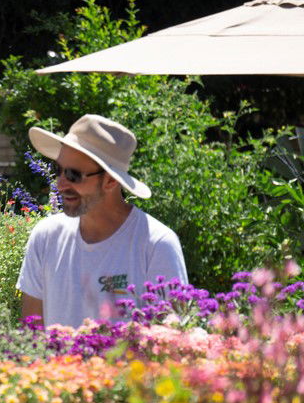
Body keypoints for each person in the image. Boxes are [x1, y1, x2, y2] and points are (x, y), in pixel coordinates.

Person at [17, 114, 188, 328]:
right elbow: (31, 332)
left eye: (73, 174)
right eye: (58, 170)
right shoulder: (46, 236)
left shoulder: (156, 244)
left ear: (109, 181)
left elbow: (172, 340)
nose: (60, 184)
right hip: (56, 363)